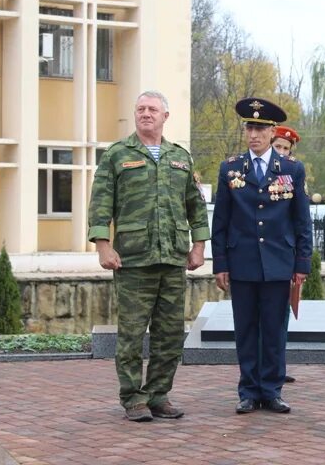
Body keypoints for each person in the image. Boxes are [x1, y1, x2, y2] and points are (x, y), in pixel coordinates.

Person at [88, 90, 209, 422]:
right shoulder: (116, 155)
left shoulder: (181, 157)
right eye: (140, 108)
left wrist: (198, 246)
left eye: (152, 109)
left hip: (171, 257)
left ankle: (159, 395)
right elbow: (100, 202)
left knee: (169, 334)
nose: (145, 113)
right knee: (130, 334)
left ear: (165, 116)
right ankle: (133, 399)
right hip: (133, 259)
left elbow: (195, 207)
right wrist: (103, 245)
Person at [212, 97, 312, 414]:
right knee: (245, 329)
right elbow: (221, 222)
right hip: (241, 262)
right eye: (249, 128)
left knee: (273, 329)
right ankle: (248, 391)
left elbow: (301, 221)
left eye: (260, 128)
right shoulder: (230, 169)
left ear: (272, 132)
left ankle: (271, 390)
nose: (253, 134)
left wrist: (302, 264)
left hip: (278, 263)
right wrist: (221, 264)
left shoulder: (291, 170)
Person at [270, 124, 302, 384]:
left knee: (281, 317)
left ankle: (277, 368)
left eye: (285, 149)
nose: (281, 152)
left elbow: (299, 218)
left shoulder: (292, 175)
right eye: (277, 147)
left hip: (283, 254)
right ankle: (265, 370)